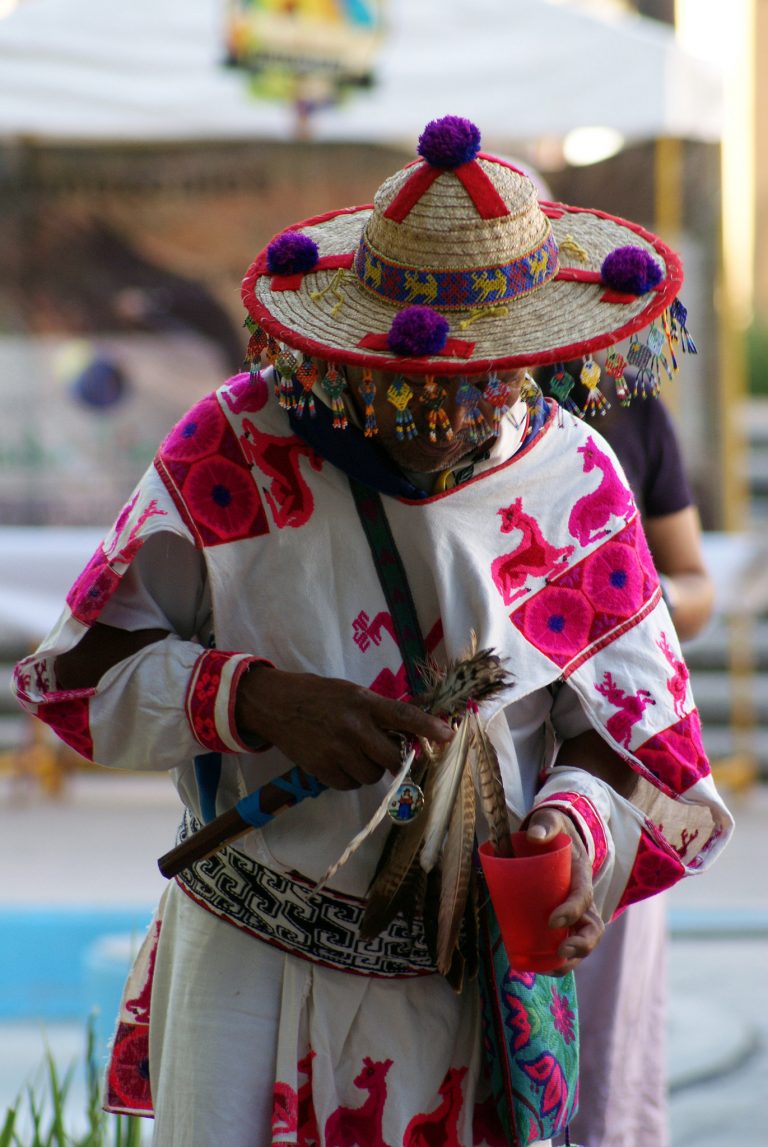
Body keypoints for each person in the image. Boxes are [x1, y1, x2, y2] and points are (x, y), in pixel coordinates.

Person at [13, 115, 733, 1147]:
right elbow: (77, 679)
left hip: (457, 982)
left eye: (476, 384)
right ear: (344, 342)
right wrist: (255, 698)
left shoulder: (577, 475)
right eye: (407, 382)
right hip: (248, 972)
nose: (438, 420)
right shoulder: (233, 444)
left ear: (533, 359)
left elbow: (620, 723)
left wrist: (569, 828)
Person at [540, 366, 715, 1147]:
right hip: (494, 743)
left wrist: (638, 603)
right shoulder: (447, 411)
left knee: (606, 1020)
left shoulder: (629, 408)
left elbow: (695, 583)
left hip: (616, 742)